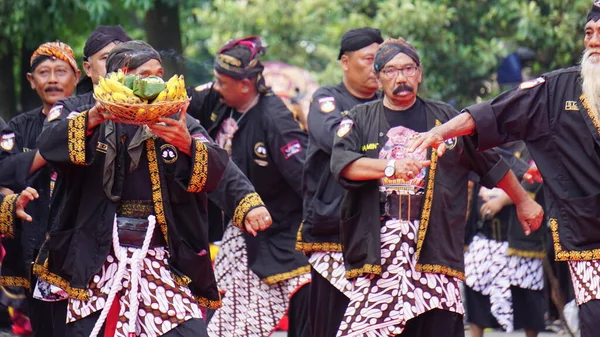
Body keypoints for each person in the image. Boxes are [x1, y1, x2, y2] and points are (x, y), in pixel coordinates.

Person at [329, 38, 544, 337]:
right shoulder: (359, 119)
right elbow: (342, 163)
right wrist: (390, 168)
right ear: (378, 79)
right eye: (390, 71)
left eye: (408, 69)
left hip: (435, 246)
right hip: (378, 250)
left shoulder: (447, 121)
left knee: (436, 327)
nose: (401, 77)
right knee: (366, 330)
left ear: (419, 74)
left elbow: (491, 164)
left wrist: (523, 201)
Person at [409, 2, 600, 336]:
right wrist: (440, 131)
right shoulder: (558, 89)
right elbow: (495, 111)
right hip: (588, 238)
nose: (593, 41)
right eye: (588, 33)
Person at [33, 40, 230, 337]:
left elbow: (215, 171)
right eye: (145, 73)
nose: (155, 80)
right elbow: (49, 145)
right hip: (96, 260)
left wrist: (185, 143)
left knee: (190, 332)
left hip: (160, 259)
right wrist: (95, 117)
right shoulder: (85, 113)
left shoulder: (176, 120)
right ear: (120, 78)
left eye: (159, 73)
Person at [187, 36, 311, 337]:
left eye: (221, 82)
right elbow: (186, 102)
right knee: (219, 320)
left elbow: (309, 181)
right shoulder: (221, 101)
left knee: (243, 327)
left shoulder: (275, 120)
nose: (215, 87)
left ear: (245, 85)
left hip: (275, 236)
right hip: (236, 230)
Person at [296, 27, 382, 337]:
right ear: (345, 62)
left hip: (382, 229)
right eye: (369, 59)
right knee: (332, 322)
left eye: (380, 59)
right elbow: (336, 142)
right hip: (335, 228)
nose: (377, 68)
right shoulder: (327, 100)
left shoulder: (390, 105)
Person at [0, 41, 80, 337]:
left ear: (77, 77)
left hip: (81, 243)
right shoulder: (18, 127)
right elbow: (4, 171)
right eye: (44, 72)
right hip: (34, 246)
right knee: (44, 326)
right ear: (31, 82)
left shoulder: (91, 119)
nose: (53, 80)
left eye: (61, 71)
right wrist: (48, 150)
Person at [463, 143, 547, 337]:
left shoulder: (529, 146)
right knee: (476, 293)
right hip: (483, 237)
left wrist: (502, 199)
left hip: (519, 240)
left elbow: (535, 180)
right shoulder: (482, 144)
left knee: (528, 297)